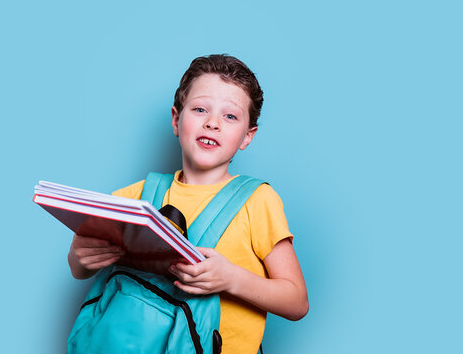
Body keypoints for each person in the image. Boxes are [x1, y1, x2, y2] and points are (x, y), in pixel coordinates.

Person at [67, 54, 309, 354]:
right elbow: (80, 270)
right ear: (176, 120)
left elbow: (297, 301)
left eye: (230, 116)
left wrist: (231, 278)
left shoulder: (257, 201)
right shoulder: (132, 197)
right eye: (199, 109)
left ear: (247, 137)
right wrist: (80, 257)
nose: (212, 123)